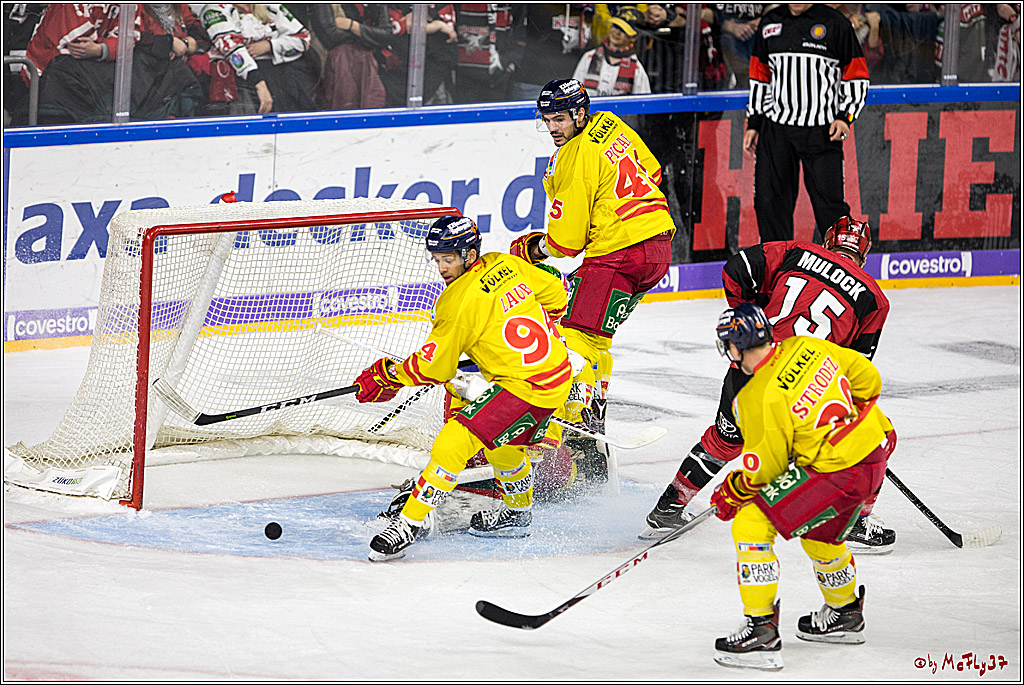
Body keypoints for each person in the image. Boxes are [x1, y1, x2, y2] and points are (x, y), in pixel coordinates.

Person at [642, 217, 896, 554]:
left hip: (753, 360)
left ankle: (669, 506)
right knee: (878, 436)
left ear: (827, 240)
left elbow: (737, 268)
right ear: (864, 256)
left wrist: (751, 320)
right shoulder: (874, 299)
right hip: (805, 382)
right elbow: (858, 367)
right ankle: (856, 521)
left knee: (724, 441)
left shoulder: (797, 252)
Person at [354, 216, 573, 562]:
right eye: (437, 259)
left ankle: (409, 524)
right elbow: (556, 294)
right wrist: (549, 328)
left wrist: (386, 375)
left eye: (449, 259)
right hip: (558, 374)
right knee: (502, 444)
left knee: (452, 443)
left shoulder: (455, 303)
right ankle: (517, 514)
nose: (441, 267)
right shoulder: (505, 262)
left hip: (524, 387)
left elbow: (435, 367)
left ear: (469, 255)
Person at [708, 302, 896, 670]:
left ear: (736, 347)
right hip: (875, 452)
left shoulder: (754, 396)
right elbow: (868, 378)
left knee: (751, 522)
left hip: (838, 472)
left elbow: (766, 470)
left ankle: (760, 630)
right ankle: (844, 613)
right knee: (818, 531)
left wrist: (733, 489)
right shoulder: (806, 345)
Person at [509, 78, 675, 481]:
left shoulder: (573, 155)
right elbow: (651, 169)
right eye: (546, 119)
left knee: (571, 338)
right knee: (597, 338)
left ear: (579, 113)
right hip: (658, 250)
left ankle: (554, 444)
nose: (552, 127)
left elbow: (566, 243)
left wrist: (534, 249)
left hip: (619, 253)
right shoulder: (609, 123)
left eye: (560, 118)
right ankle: (592, 416)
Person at [743, 4, 869, 244]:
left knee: (830, 207)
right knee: (770, 204)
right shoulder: (770, 22)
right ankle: (776, 270)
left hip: (822, 130)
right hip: (776, 129)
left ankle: (840, 269)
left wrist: (845, 116)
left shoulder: (835, 23)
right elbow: (760, 76)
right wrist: (754, 122)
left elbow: (857, 74)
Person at [23, 3, 203, 124]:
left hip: (93, 74)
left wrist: (102, 48)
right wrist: (108, 46)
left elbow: (132, 37)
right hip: (47, 76)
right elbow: (77, 47)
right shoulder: (70, 5)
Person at [194, 3, 320, 115]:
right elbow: (232, 49)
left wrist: (270, 45)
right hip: (241, 79)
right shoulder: (213, 10)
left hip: (278, 72)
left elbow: (303, 39)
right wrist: (259, 84)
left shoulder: (271, 6)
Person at [288, 4, 391, 111]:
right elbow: (330, 36)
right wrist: (369, 38)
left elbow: (386, 36)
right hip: (334, 64)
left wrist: (354, 26)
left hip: (375, 65)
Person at [572, 7, 651, 96]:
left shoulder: (637, 70)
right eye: (616, 26)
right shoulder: (589, 57)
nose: (617, 32)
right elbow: (574, 94)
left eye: (623, 30)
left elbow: (643, 105)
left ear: (633, 37)